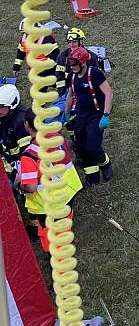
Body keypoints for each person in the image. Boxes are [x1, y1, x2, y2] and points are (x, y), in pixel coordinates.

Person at [18, 108, 82, 251]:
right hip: (68, 190)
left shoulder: (29, 155)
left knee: (48, 233)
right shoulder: (57, 137)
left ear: (27, 125)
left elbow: (31, 187)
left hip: (47, 202)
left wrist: (19, 182)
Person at [64, 47, 113, 186]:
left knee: (93, 146)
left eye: (75, 65)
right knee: (81, 147)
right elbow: (69, 96)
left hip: (96, 114)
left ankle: (105, 165)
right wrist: (67, 112)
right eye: (71, 65)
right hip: (81, 114)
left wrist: (106, 115)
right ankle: (92, 177)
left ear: (83, 62)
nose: (72, 67)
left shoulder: (95, 73)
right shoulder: (72, 77)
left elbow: (108, 93)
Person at [0, 84, 30, 179]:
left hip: (16, 163)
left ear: (12, 105)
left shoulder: (21, 124)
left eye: (1, 106)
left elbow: (26, 154)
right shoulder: (4, 115)